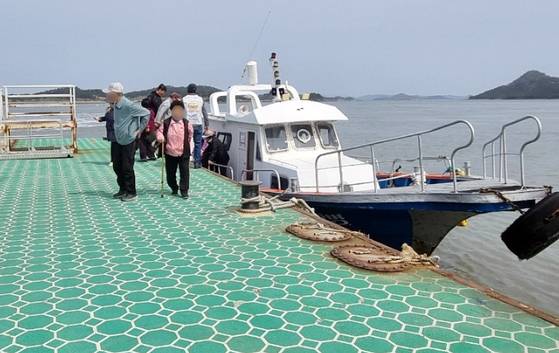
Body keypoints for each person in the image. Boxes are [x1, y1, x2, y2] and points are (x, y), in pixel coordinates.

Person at [104, 82, 150, 202]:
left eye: (109, 93)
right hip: (117, 139)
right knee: (116, 166)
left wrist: (139, 130)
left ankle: (131, 192)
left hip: (128, 140)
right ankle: (123, 189)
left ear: (116, 94)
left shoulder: (128, 105)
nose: (107, 95)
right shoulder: (115, 105)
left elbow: (146, 113)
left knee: (127, 167)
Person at [156, 100, 193, 199]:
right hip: (170, 152)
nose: (177, 113)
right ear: (171, 111)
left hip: (183, 152)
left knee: (184, 173)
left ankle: (184, 191)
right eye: (175, 110)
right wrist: (160, 137)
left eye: (180, 110)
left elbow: (190, 136)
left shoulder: (186, 123)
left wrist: (186, 145)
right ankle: (174, 187)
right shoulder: (166, 122)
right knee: (170, 174)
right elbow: (159, 131)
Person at [183, 83, 208, 169]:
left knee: (186, 143)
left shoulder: (184, 99)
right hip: (198, 123)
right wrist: (207, 125)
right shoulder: (200, 99)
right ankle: (197, 163)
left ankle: (185, 161)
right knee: (197, 143)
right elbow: (204, 112)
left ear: (188, 90)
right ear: (195, 90)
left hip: (187, 123)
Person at [139, 84, 166, 161]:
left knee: (145, 140)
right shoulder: (154, 98)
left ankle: (146, 155)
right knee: (148, 139)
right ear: (159, 89)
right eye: (163, 91)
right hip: (153, 122)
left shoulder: (145, 109)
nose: (163, 93)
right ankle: (150, 154)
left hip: (150, 123)